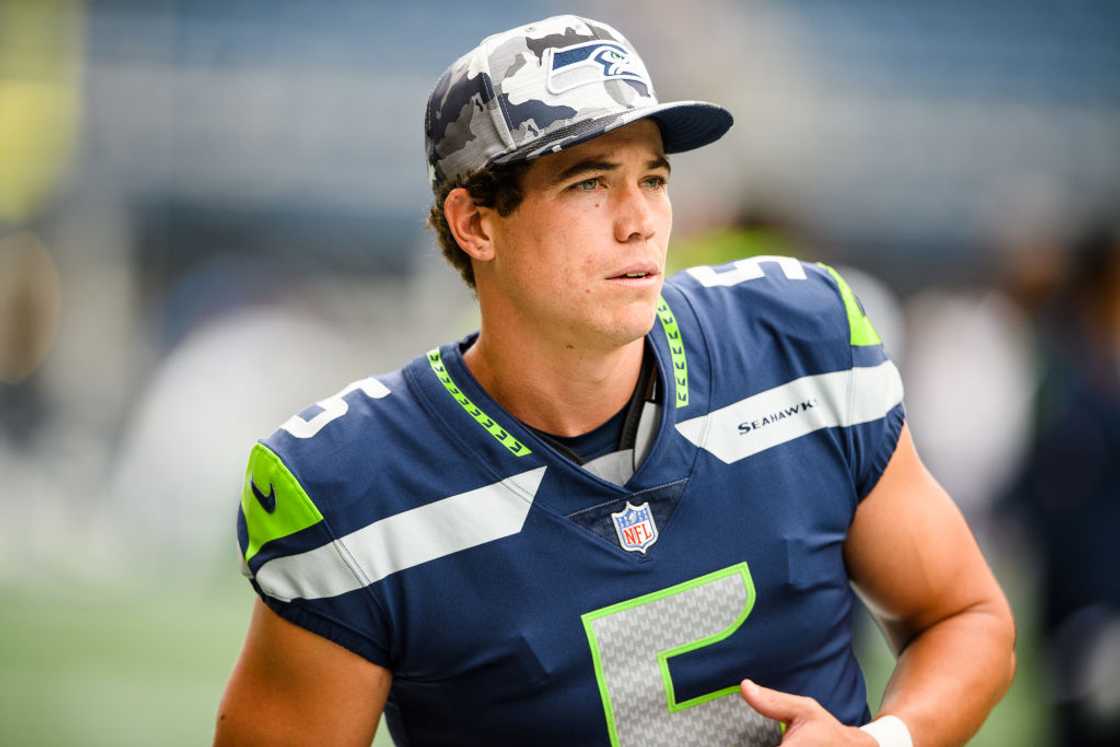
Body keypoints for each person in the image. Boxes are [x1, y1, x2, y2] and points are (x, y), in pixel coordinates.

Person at [215, 16, 1015, 747]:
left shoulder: (796, 339)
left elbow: (967, 615)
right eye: (589, 183)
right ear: (476, 223)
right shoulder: (361, 486)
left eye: (655, 179)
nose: (640, 220)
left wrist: (882, 742)